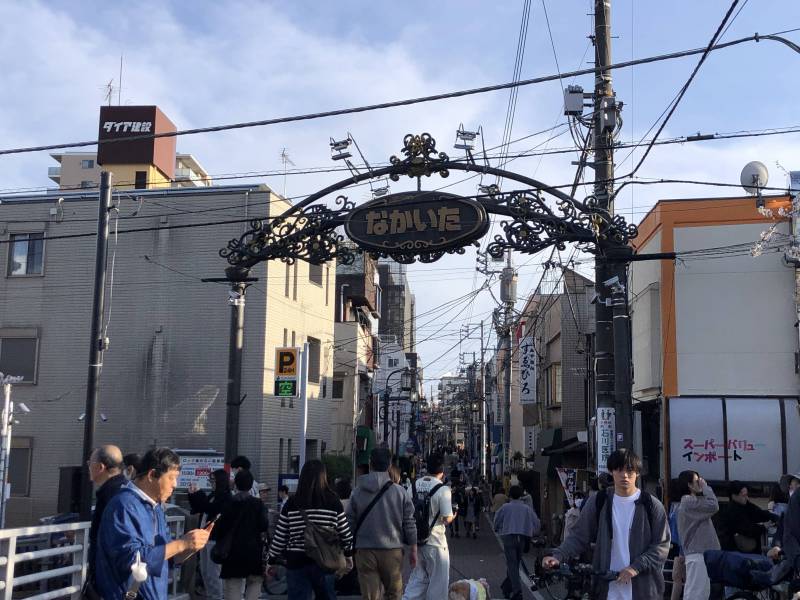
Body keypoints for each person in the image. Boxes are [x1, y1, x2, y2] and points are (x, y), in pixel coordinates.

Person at [542, 449, 670, 600]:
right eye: (619, 470)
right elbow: (579, 536)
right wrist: (557, 555)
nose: (625, 475)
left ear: (638, 473)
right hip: (606, 587)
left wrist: (635, 567)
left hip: (643, 589)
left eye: (630, 470)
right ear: (611, 471)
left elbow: (661, 546)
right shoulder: (599, 501)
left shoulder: (651, 505)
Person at [95, 448, 211, 600]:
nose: (175, 484)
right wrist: (181, 544)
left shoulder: (155, 507)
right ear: (151, 475)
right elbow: (131, 561)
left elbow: (166, 558)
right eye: (171, 478)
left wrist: (191, 546)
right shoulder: (123, 505)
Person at [267, 459, 354, 599]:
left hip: (296, 562)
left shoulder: (292, 503)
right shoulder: (333, 501)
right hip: (325, 561)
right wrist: (348, 555)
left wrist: (270, 560)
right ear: (323, 476)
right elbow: (345, 534)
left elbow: (280, 537)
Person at [346, 448, 417, 600]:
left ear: (370, 464)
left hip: (364, 550)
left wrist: (347, 549)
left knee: (370, 596)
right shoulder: (400, 492)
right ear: (389, 465)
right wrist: (413, 547)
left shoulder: (357, 491)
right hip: (392, 550)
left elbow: (350, 522)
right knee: (394, 594)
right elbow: (409, 522)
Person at [402, 454, 455, 600]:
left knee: (417, 581)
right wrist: (454, 514)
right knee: (438, 584)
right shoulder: (443, 490)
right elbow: (446, 518)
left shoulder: (413, 486)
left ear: (426, 468)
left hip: (417, 541)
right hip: (436, 543)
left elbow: (406, 513)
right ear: (442, 470)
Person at [214, 470, 269, 600]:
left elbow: (220, 528)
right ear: (251, 486)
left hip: (232, 552)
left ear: (236, 485)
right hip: (253, 551)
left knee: (232, 585)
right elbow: (263, 525)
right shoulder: (258, 504)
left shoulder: (229, 503)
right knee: (254, 582)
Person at [187, 469, 233, 600]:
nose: (211, 483)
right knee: (205, 572)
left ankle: (217, 597)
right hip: (205, 538)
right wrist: (192, 495)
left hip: (216, 539)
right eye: (210, 481)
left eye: (213, 481)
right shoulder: (213, 495)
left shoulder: (225, 498)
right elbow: (199, 507)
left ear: (220, 482)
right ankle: (211, 596)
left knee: (214, 573)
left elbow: (211, 508)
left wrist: (198, 494)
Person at [676, 470, 719, 600]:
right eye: (696, 480)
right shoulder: (688, 501)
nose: (700, 482)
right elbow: (713, 505)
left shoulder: (690, 502)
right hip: (698, 554)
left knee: (699, 593)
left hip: (698, 554)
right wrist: (706, 487)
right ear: (689, 484)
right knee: (696, 594)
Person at [87, 445, 126, 588]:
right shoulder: (126, 488)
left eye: (89, 464)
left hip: (110, 575)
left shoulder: (111, 495)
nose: (88, 467)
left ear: (100, 467)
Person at [494, 485, 540, 600]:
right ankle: (507, 587)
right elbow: (537, 523)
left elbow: (496, 520)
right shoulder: (527, 508)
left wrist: (497, 528)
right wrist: (532, 532)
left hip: (509, 537)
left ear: (510, 495)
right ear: (521, 495)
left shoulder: (505, 507)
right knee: (515, 563)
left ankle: (517, 591)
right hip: (523, 538)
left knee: (512, 564)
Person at [717, 481, 776, 553]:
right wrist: (763, 527)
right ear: (734, 496)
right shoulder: (731, 511)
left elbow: (759, 513)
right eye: (743, 495)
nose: (747, 498)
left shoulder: (745, 505)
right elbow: (747, 529)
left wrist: (775, 518)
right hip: (736, 550)